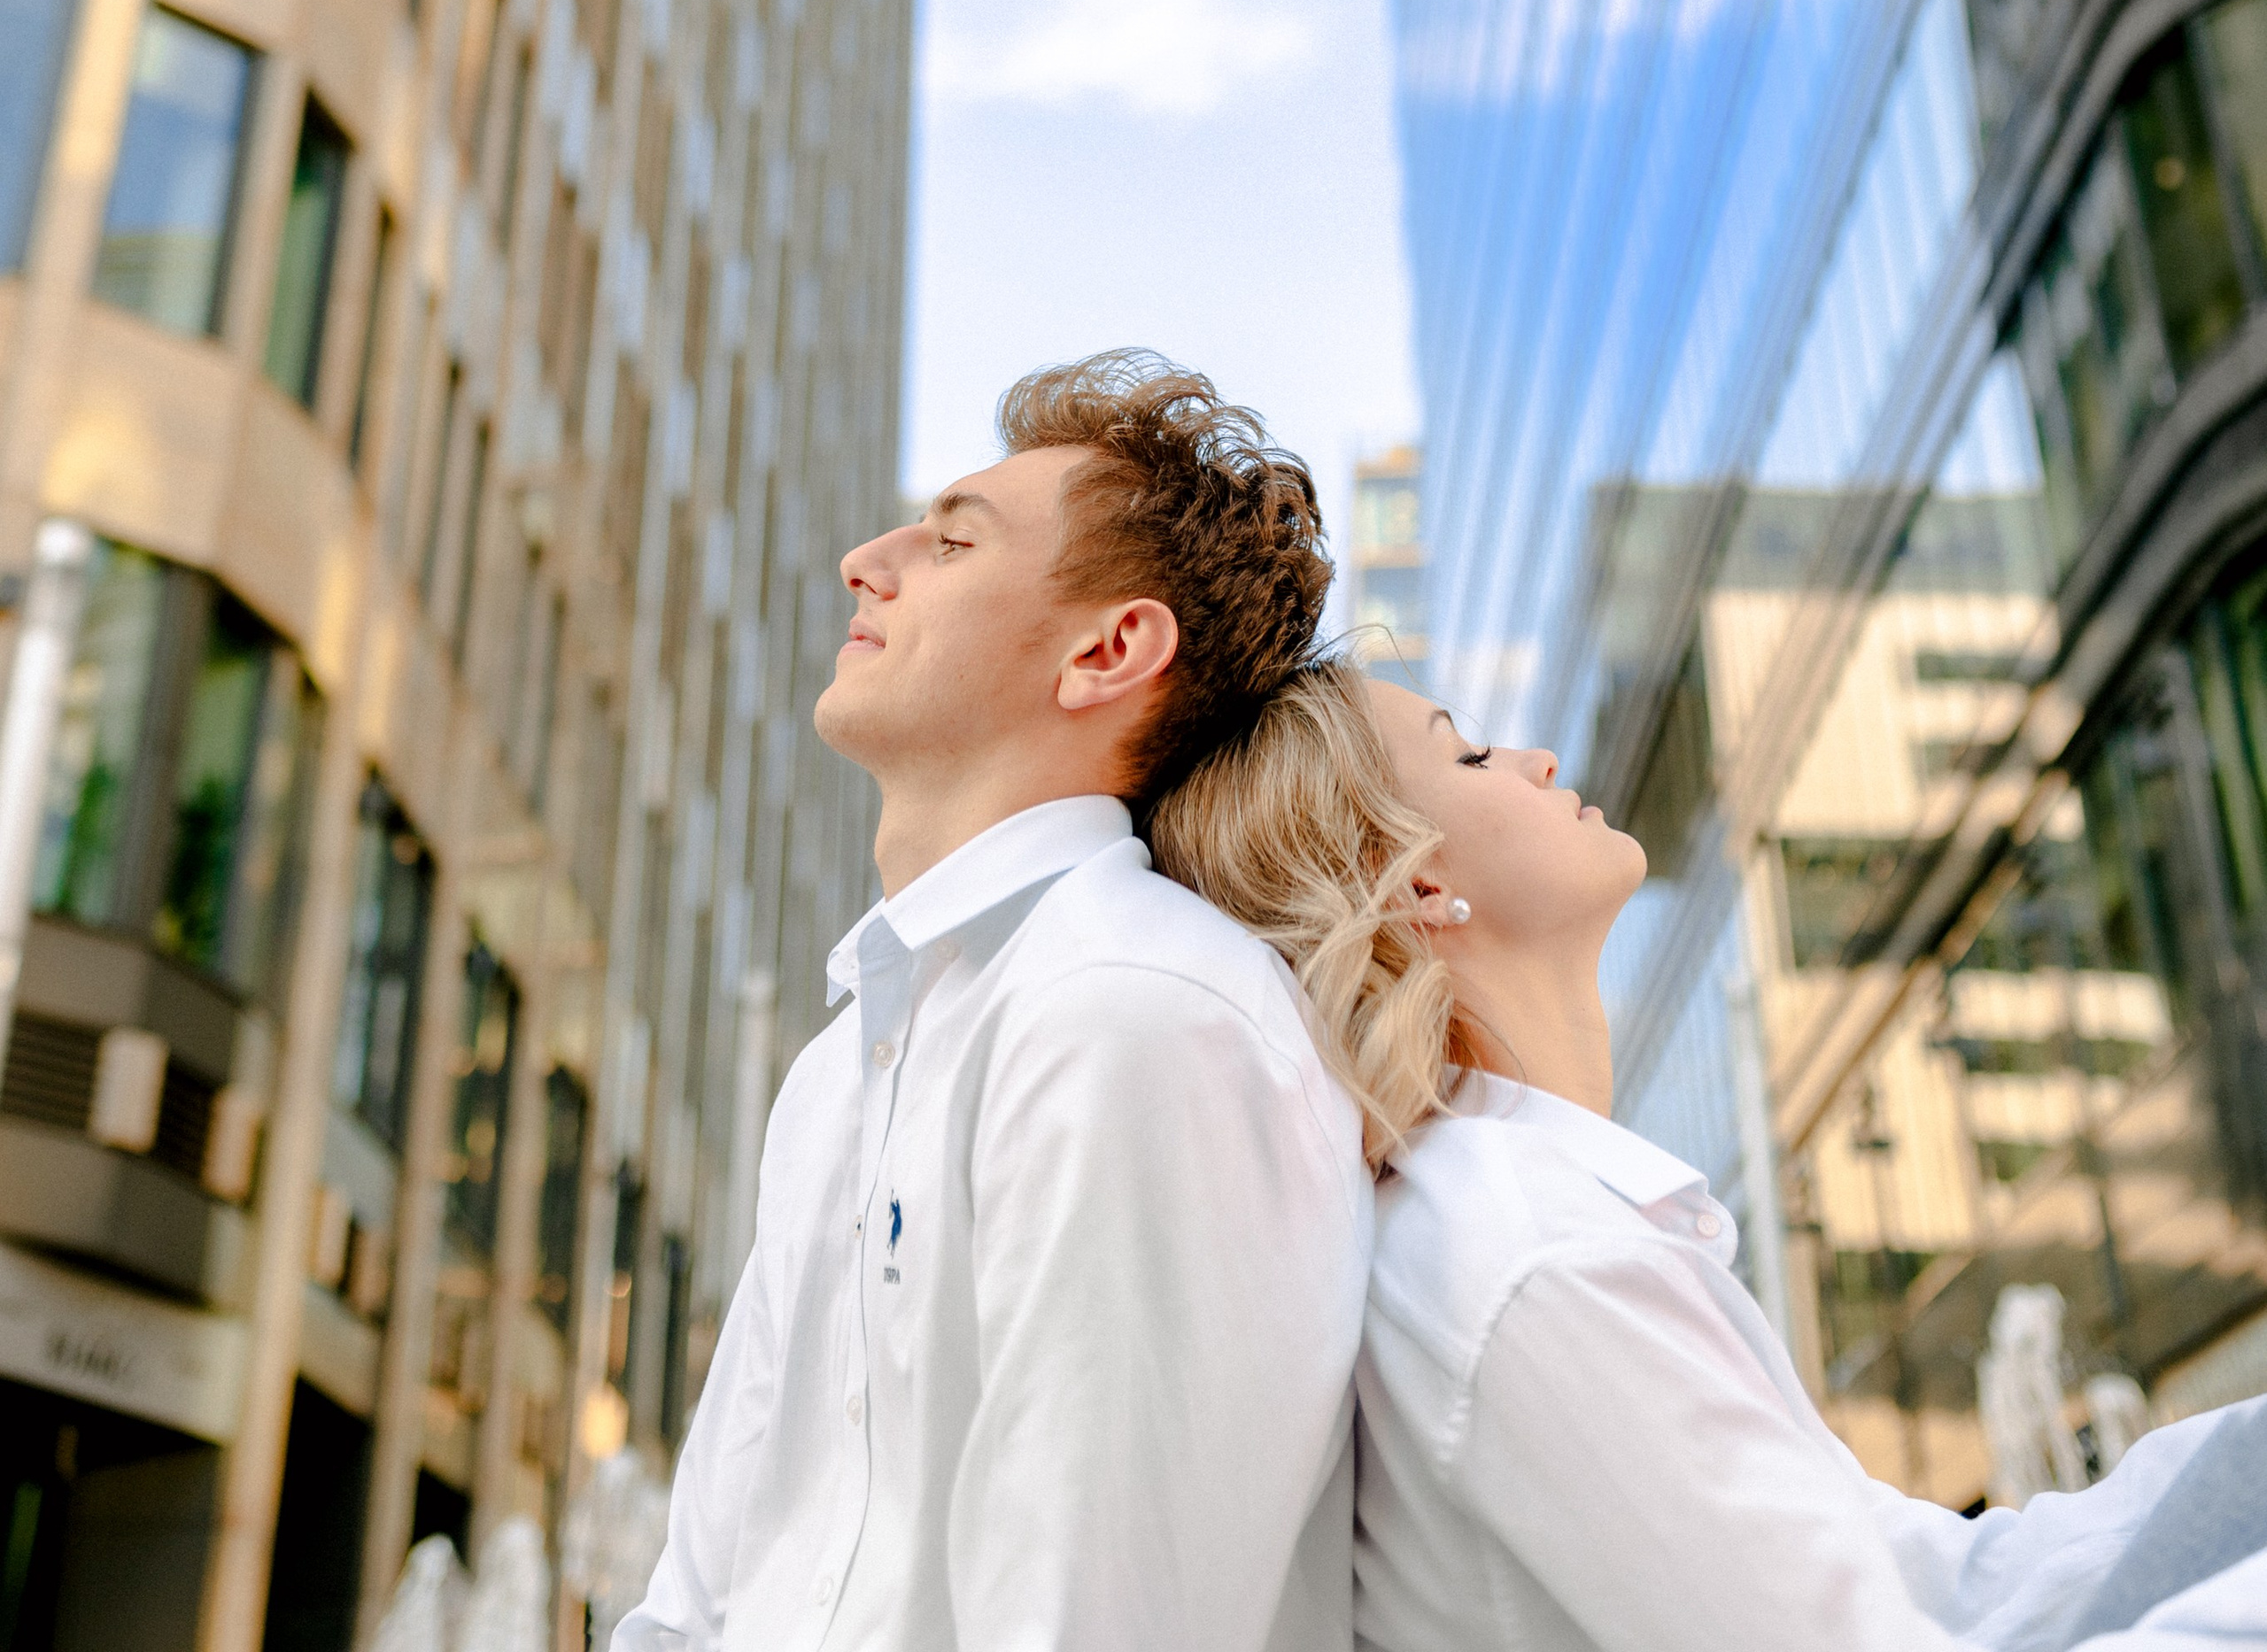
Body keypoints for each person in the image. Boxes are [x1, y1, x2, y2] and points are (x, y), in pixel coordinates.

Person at [1149, 660, 2267, 1652]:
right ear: (1413, 881)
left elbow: (1946, 1583)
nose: (1539, 759)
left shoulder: (1516, 1223)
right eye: (1472, 753)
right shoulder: (1527, 1255)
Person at [615, 353, 1372, 1652]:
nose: (866, 561)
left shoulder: (1136, 1012)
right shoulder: (843, 1064)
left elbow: (1096, 1620)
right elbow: (696, 1596)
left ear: (1108, 650)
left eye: (951, 541)